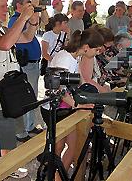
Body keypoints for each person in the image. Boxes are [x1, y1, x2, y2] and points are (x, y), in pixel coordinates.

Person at [40, 28, 103, 178]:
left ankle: (58, 176)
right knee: (59, 147)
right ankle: (52, 176)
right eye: (97, 49)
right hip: (55, 109)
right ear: (86, 47)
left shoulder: (74, 57)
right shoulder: (66, 58)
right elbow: (59, 90)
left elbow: (78, 83)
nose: (98, 53)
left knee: (73, 147)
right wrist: (78, 105)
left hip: (65, 108)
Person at [0, 0, 37, 156]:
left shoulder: (3, 30)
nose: (6, 9)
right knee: (2, 138)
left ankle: (7, 168)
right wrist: (22, 17)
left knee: (7, 136)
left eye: (7, 6)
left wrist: (33, 22)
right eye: (2, 6)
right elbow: (5, 44)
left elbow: (27, 38)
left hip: (9, 93)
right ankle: (4, 170)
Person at [8, 0, 46, 142]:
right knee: (25, 97)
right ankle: (22, 130)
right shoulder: (14, 21)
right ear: (19, 5)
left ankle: (29, 126)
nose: (30, 7)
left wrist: (37, 9)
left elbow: (43, 22)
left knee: (32, 96)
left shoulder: (26, 18)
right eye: (27, 3)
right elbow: (24, 39)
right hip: (26, 64)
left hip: (33, 64)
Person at [79, 26, 114, 92]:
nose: (106, 50)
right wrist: (107, 93)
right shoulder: (89, 56)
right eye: (106, 47)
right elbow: (87, 80)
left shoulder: (91, 54)